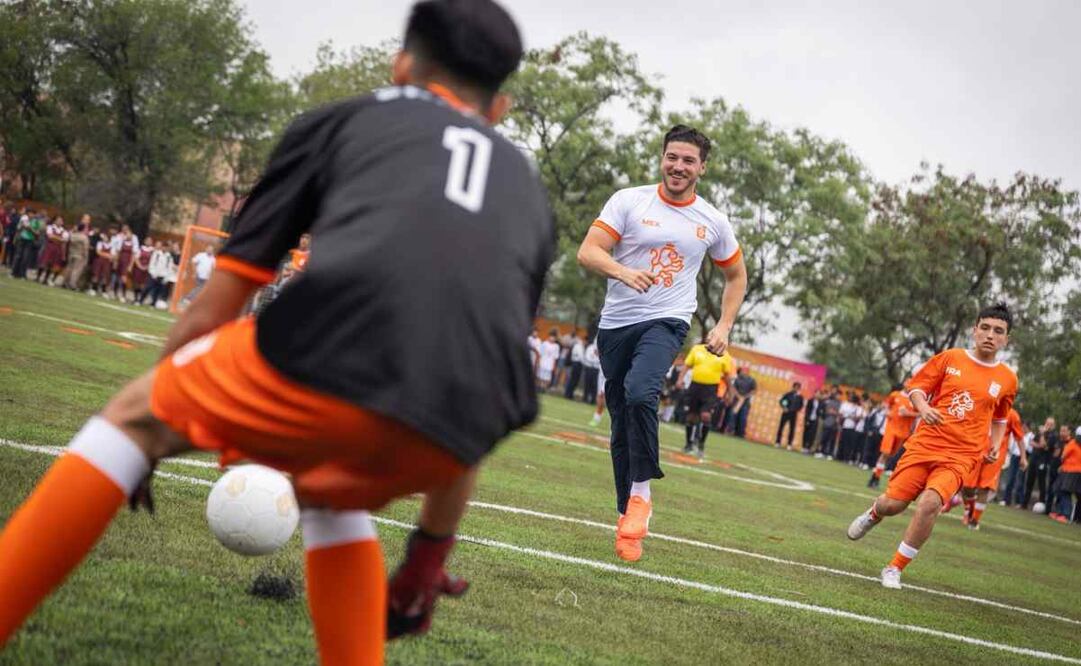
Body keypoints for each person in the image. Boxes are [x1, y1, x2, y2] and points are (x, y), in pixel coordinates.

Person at [0, 4, 550, 663]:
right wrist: (429, 551)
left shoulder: (349, 119)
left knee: (128, 423)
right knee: (327, 487)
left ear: (401, 65)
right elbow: (480, 367)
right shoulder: (526, 190)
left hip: (330, 356)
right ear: (500, 108)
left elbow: (219, 303)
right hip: (459, 431)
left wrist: (150, 423)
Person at [577, 123, 746, 563]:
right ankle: (627, 518)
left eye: (689, 160)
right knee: (620, 422)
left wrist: (725, 325)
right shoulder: (629, 201)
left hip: (667, 320)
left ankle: (642, 496)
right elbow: (589, 251)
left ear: (702, 168)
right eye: (673, 156)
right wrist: (623, 272)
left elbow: (735, 275)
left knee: (641, 393)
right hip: (616, 324)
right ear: (662, 159)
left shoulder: (712, 221)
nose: (678, 165)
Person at [847, 303, 1017, 589]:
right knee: (894, 504)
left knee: (930, 503)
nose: (990, 335)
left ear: (1006, 339)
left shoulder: (1007, 379)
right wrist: (923, 407)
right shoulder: (950, 358)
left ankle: (894, 568)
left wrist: (996, 445)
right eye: (985, 328)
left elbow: (1001, 417)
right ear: (974, 330)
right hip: (926, 444)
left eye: (998, 331)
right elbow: (916, 387)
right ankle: (874, 513)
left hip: (962, 454)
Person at [960, 407, 1025, 529]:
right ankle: (970, 508)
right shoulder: (984, 405)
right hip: (976, 450)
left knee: (984, 487)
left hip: (995, 455)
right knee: (967, 486)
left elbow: (1019, 437)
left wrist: (1023, 457)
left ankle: (974, 521)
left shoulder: (1012, 415)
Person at [679, 339, 735, 458]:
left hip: (710, 389)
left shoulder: (724, 354)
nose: (712, 339)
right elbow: (687, 366)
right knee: (691, 417)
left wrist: (730, 392)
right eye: (711, 336)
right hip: (695, 386)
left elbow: (726, 376)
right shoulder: (697, 349)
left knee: (705, 415)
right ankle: (688, 444)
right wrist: (680, 380)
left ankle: (701, 445)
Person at [867, 385, 918, 488]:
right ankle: (875, 478)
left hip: (903, 432)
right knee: (885, 453)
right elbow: (886, 405)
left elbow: (921, 413)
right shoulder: (895, 395)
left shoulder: (915, 399)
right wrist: (887, 412)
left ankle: (876, 475)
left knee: (890, 455)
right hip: (891, 428)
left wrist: (908, 413)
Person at [1021, 417, 1056, 510]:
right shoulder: (1040, 433)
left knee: (1041, 483)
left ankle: (1042, 504)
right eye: (1047, 423)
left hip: (1043, 461)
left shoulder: (1052, 435)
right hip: (1033, 459)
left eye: (1050, 424)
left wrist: (1043, 434)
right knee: (1029, 481)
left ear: (1053, 426)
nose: (1048, 426)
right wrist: (1039, 444)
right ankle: (1024, 504)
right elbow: (1031, 442)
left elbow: (1044, 445)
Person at [1050, 426, 1081, 523]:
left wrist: (1062, 464)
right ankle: (1060, 512)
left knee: (1064, 491)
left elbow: (1063, 455)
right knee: (1059, 490)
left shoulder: (1073, 443)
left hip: (1070, 471)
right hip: (1073, 471)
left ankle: (1066, 514)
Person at [36, 217, 68, 285]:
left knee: (51, 264)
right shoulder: (50, 227)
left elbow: (64, 241)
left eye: (61, 221)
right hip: (49, 246)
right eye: (58, 220)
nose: (60, 222)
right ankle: (38, 277)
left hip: (57, 249)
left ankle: (45, 279)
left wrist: (55, 237)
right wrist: (60, 239)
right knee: (44, 262)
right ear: (55, 221)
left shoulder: (64, 231)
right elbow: (50, 236)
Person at [63, 216, 92, 290]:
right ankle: (72, 284)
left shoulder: (73, 235)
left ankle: (65, 281)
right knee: (77, 270)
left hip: (71, 253)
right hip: (80, 255)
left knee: (69, 268)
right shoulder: (84, 237)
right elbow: (86, 249)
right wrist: (86, 258)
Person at [727, 367, 756, 438]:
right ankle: (731, 430)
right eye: (742, 371)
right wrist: (738, 396)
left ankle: (740, 433)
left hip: (745, 402)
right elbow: (733, 388)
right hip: (736, 401)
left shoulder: (752, 380)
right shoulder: (737, 379)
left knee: (743, 417)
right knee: (732, 415)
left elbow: (753, 390)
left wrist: (745, 397)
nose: (743, 372)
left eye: (745, 371)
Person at [775, 381, 804, 450]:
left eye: (798, 388)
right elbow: (782, 401)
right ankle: (778, 442)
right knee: (781, 427)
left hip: (793, 414)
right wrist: (784, 407)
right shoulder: (788, 394)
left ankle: (789, 444)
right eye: (795, 387)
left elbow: (801, 405)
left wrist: (796, 409)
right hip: (786, 412)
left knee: (792, 429)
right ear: (793, 387)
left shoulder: (800, 397)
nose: (796, 389)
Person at [88, 230, 114, 296]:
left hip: (107, 263)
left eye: (106, 237)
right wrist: (107, 255)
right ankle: (93, 289)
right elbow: (98, 252)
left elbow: (112, 255)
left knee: (105, 277)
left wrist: (106, 255)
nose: (104, 238)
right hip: (99, 261)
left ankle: (104, 291)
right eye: (104, 237)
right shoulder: (100, 243)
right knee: (96, 275)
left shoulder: (111, 245)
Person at [563, 330, 586, 399]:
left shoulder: (578, 346)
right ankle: (568, 394)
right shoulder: (579, 346)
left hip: (576, 364)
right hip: (577, 364)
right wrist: (585, 363)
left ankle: (569, 394)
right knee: (573, 380)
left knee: (573, 380)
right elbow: (581, 357)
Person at [581, 336, 601, 405]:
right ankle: (585, 398)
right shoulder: (590, 347)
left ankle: (593, 400)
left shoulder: (601, 348)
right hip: (589, 367)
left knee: (594, 385)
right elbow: (587, 357)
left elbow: (600, 360)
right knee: (587, 384)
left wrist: (595, 359)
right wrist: (593, 359)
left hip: (596, 369)